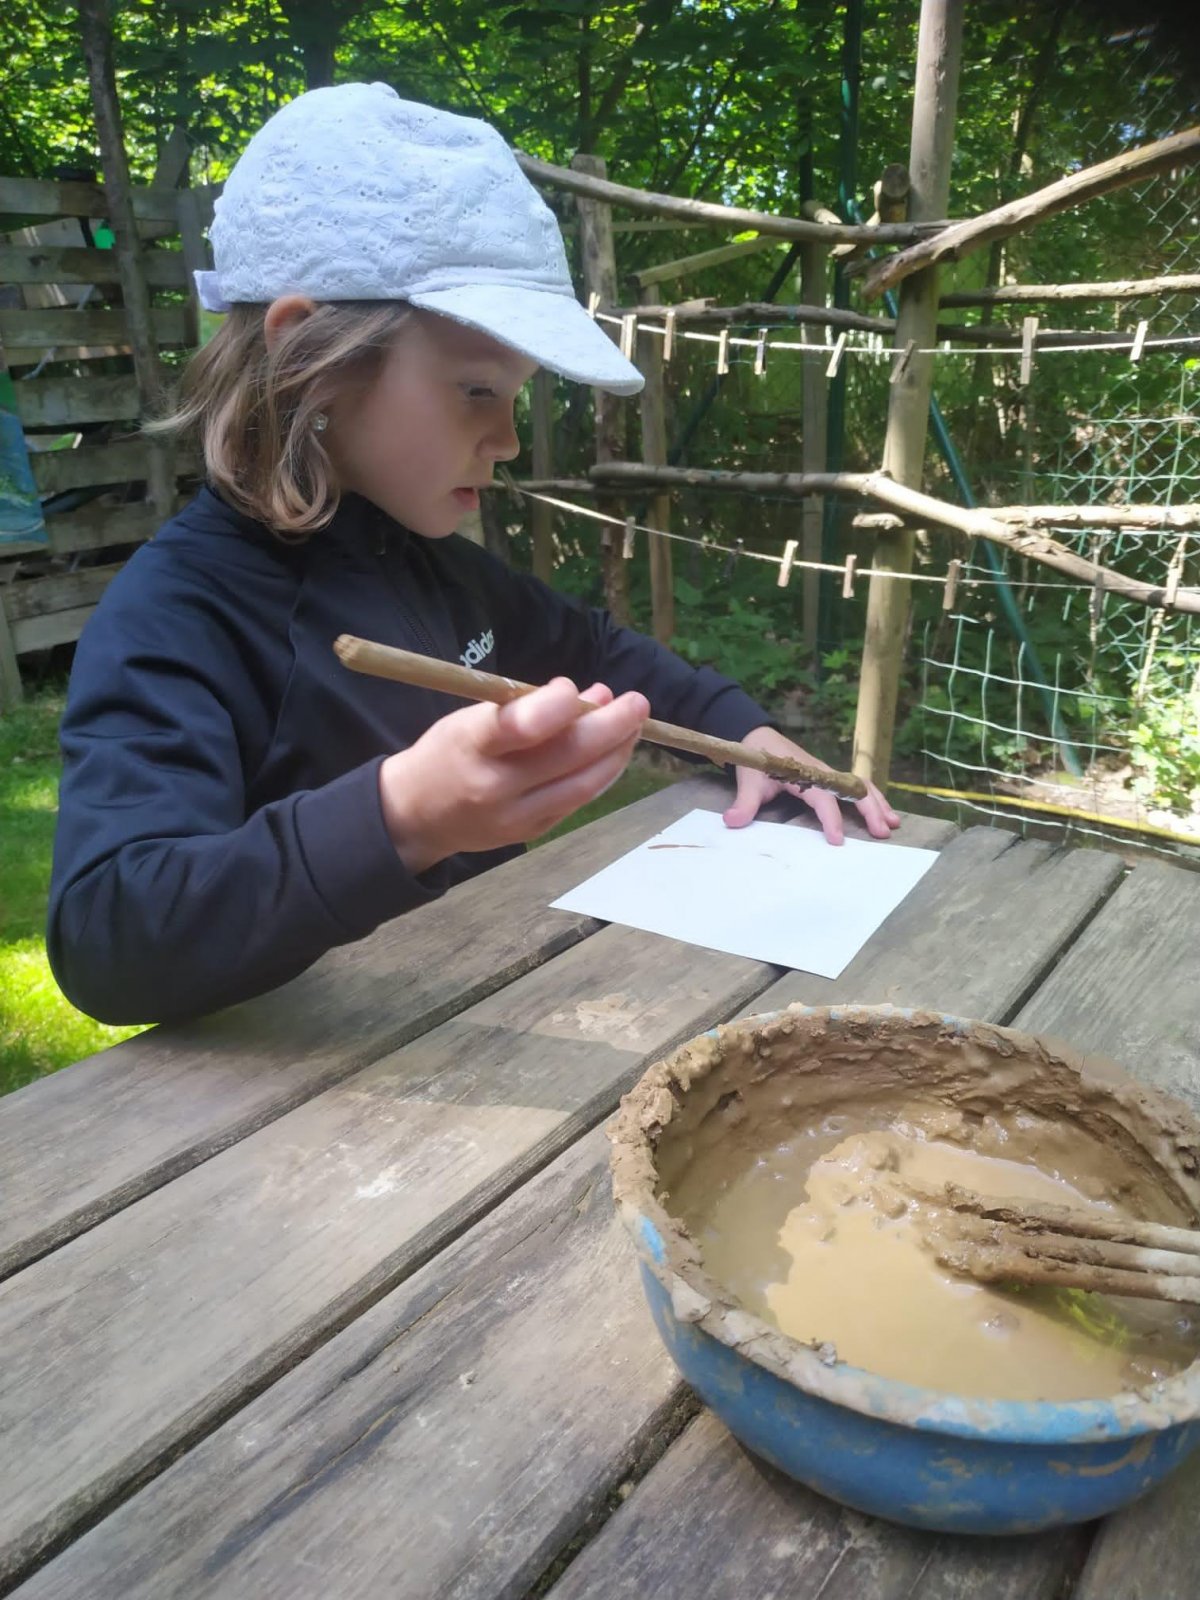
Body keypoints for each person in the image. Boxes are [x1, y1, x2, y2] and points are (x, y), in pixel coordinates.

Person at [48, 83, 898, 1027]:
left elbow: (598, 650)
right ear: (308, 364)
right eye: (478, 392)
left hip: (489, 1022)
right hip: (291, 1090)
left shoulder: (432, 565)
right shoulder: (176, 614)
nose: (509, 441)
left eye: (516, 398)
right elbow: (106, 936)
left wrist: (744, 730)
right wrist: (402, 816)